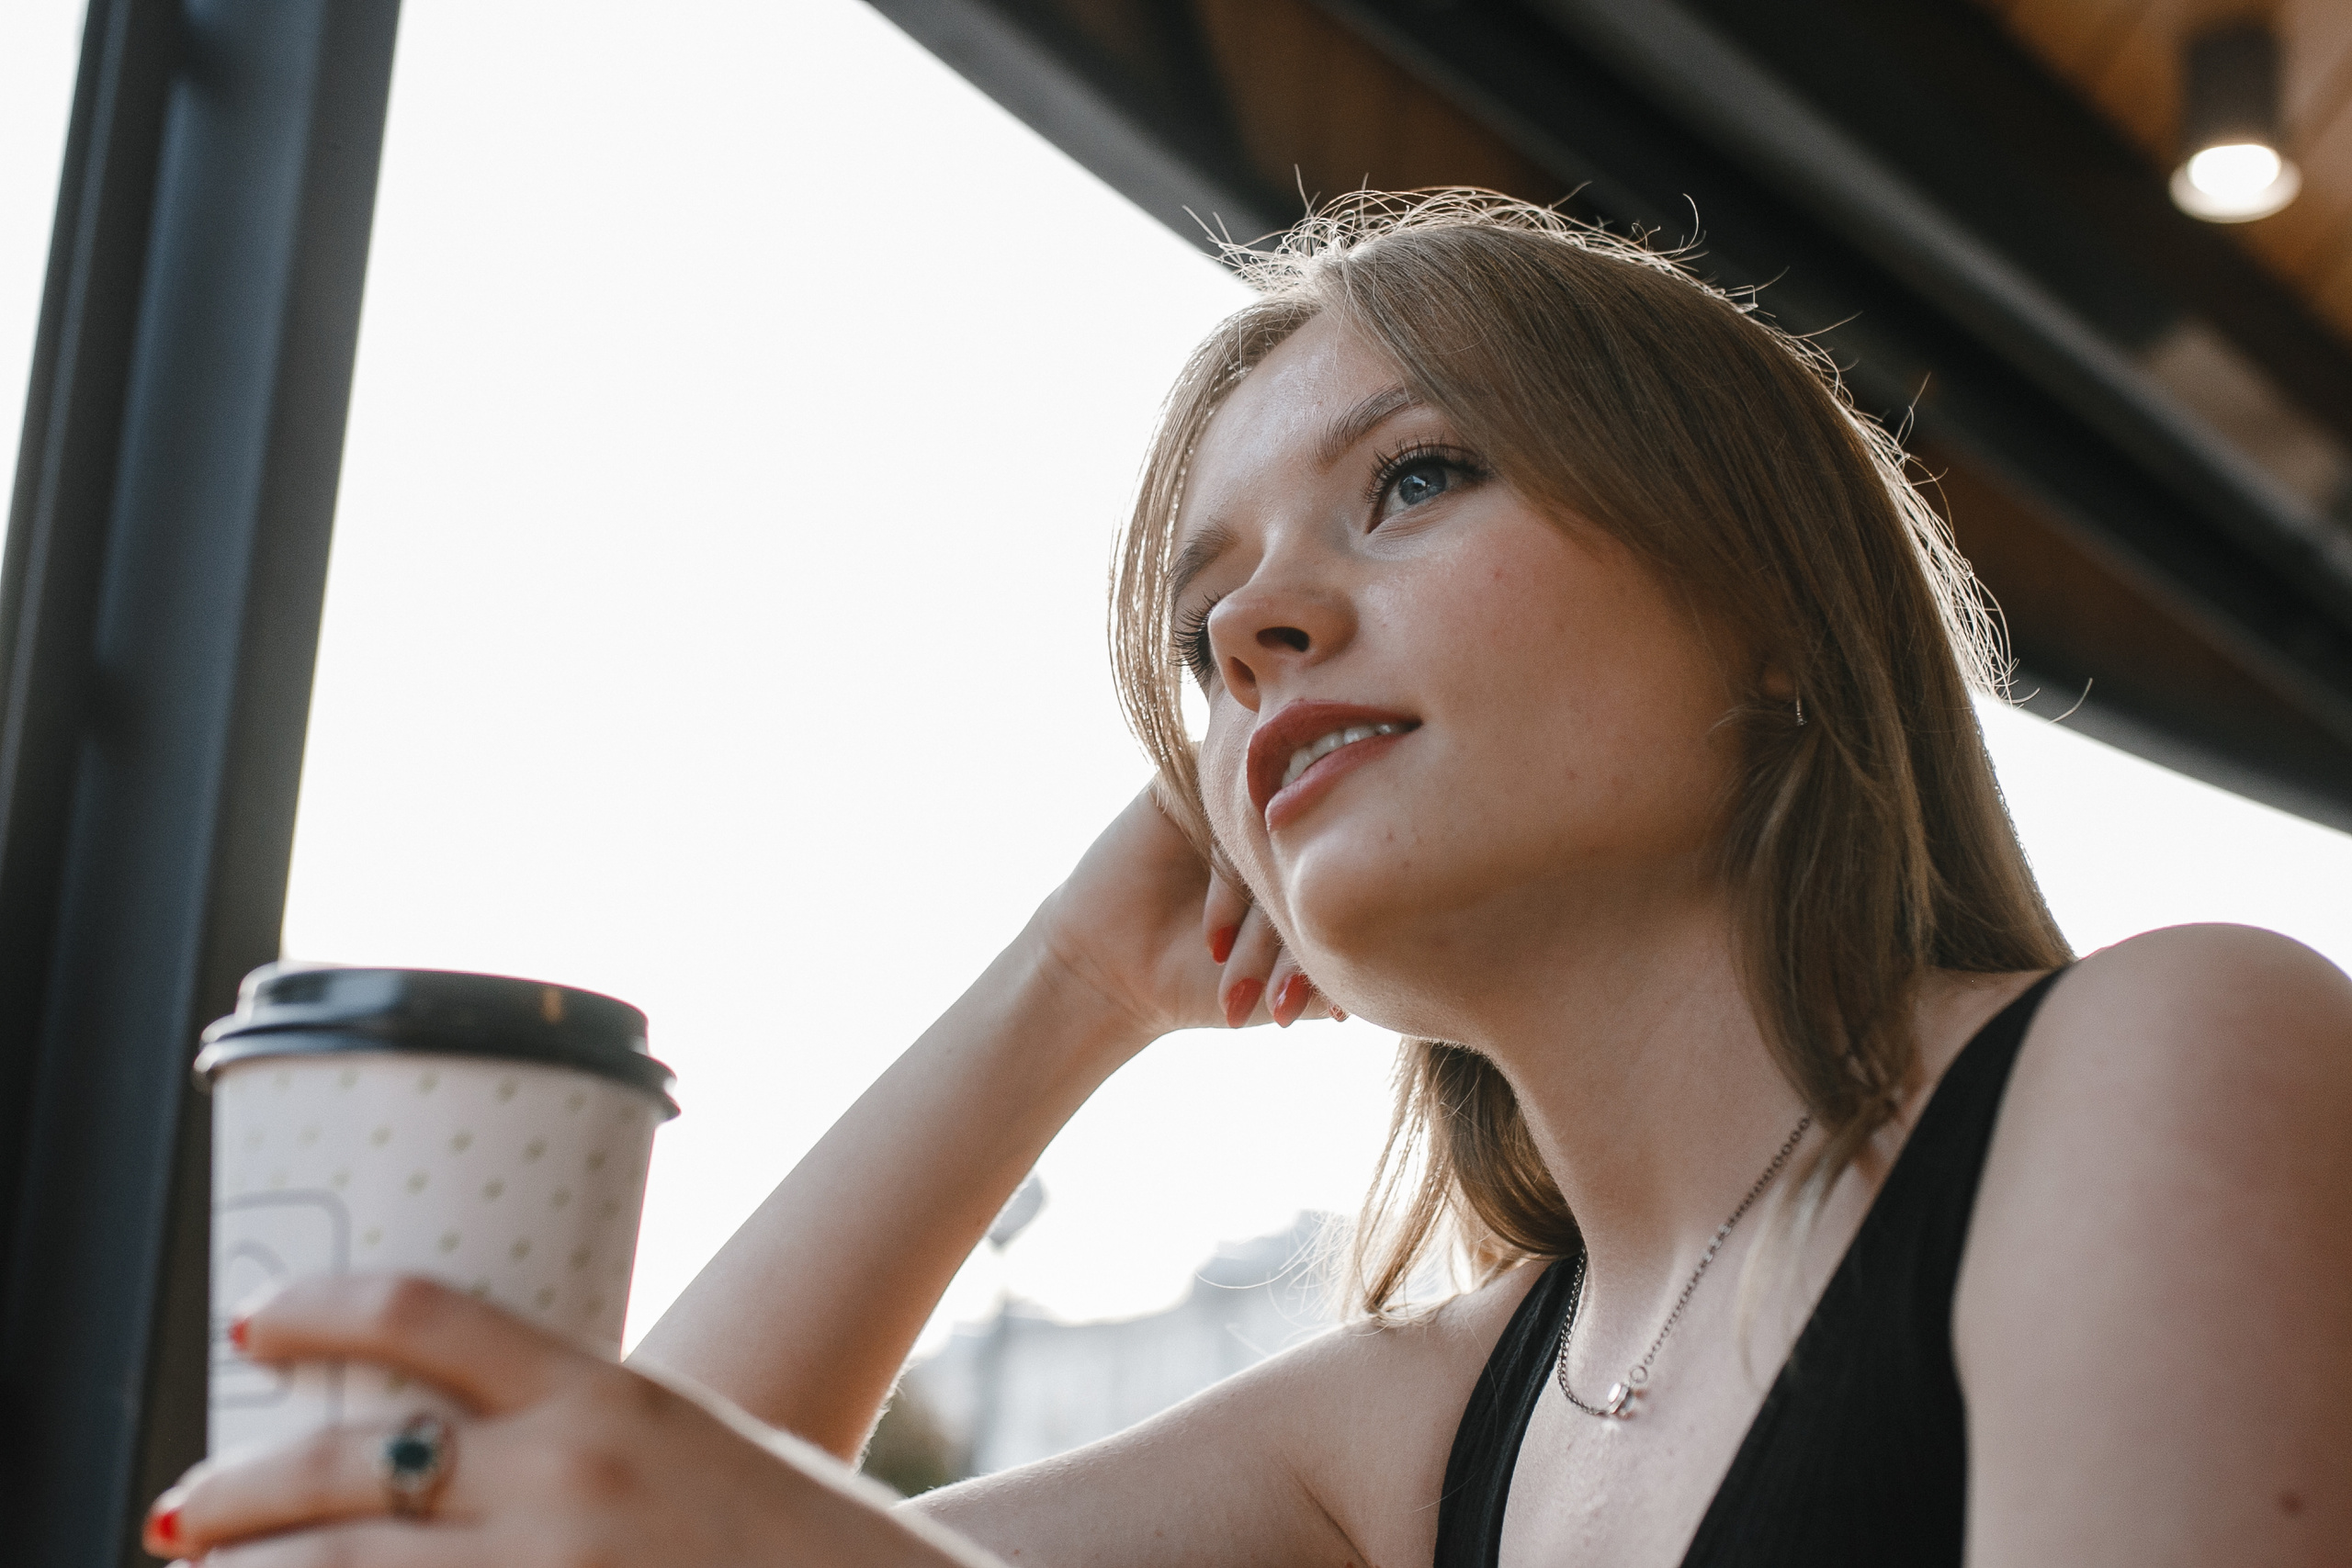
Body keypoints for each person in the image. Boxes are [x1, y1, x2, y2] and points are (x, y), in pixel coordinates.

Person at [147, 191, 2351, 1568]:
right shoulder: (1426, 1421)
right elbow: (591, 1533)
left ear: (1772, 606)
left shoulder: (2169, 1050)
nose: (1251, 626)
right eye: (1206, 611)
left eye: (1409, 477)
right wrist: (1065, 988)